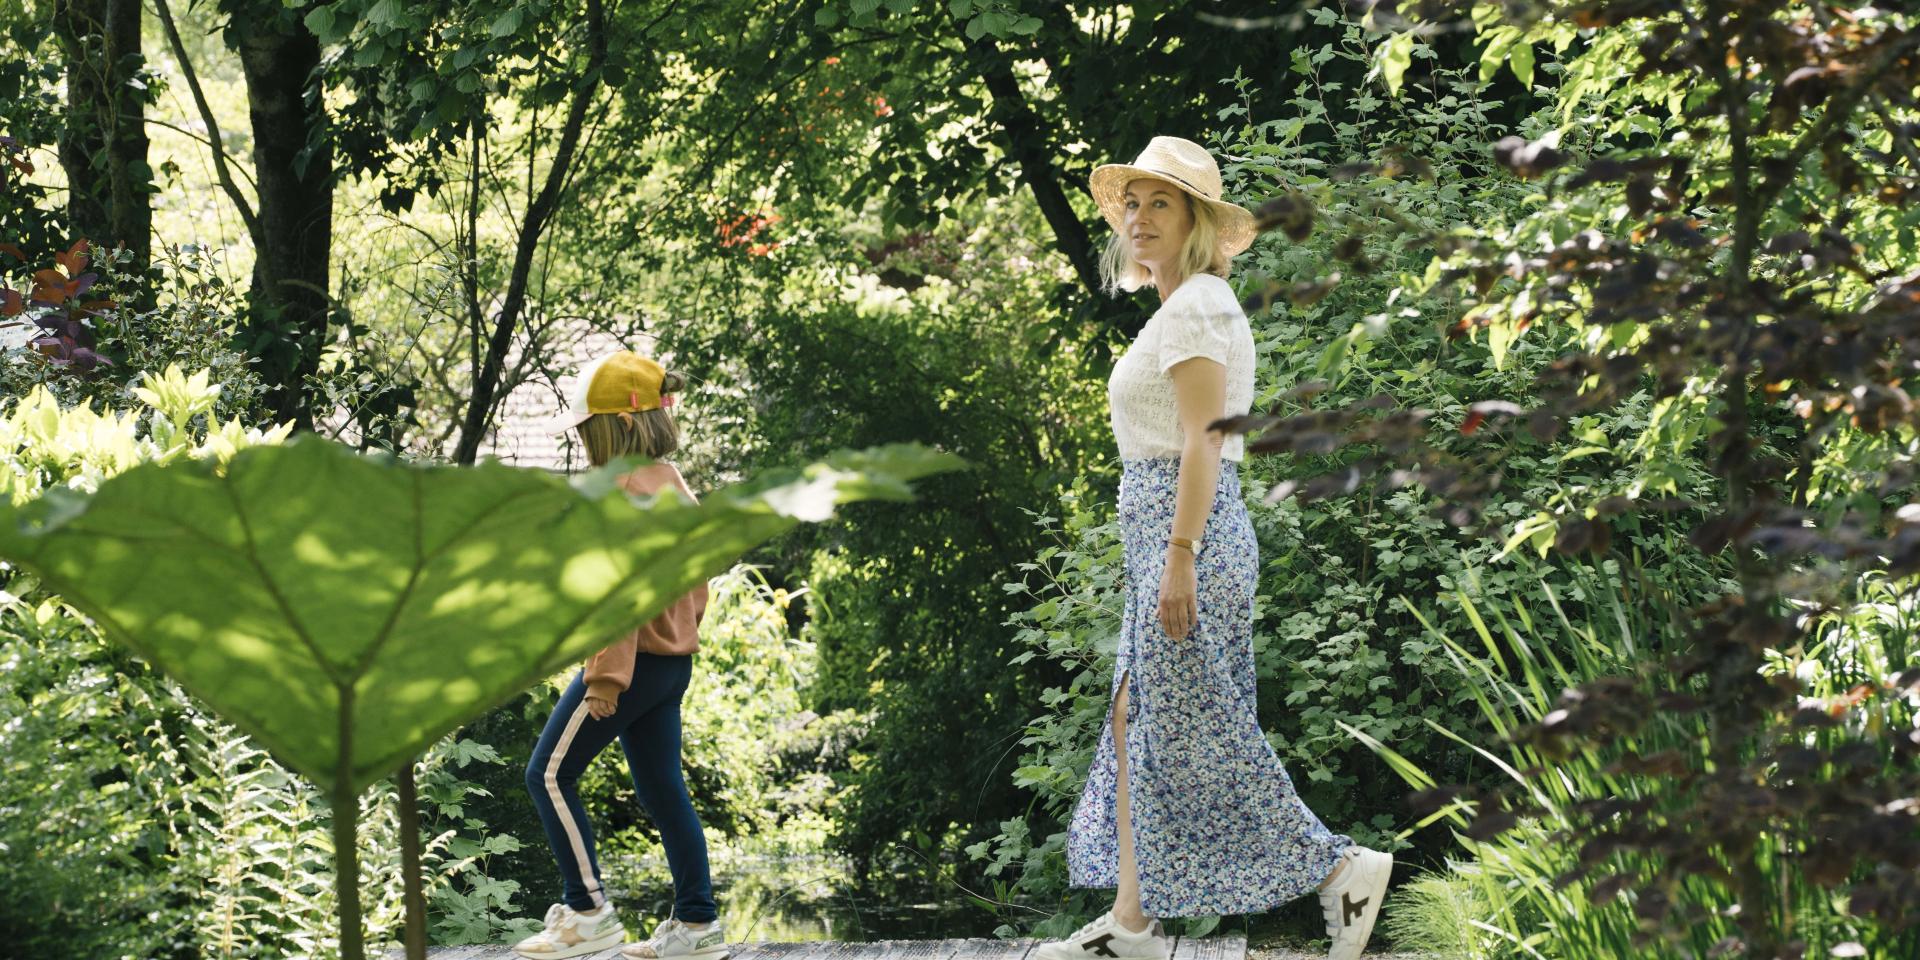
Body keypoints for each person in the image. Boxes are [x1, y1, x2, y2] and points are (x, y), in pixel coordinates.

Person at [1035, 137, 1393, 960]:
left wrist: (1180, 553)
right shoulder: (1180, 308)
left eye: (1161, 202)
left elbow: (1203, 441)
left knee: (1201, 727)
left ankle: (1340, 867)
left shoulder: (1197, 305)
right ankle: (1134, 923)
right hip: (1167, 537)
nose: (1139, 216)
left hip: (1186, 534)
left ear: (1197, 222)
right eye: (1132, 202)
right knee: (1140, 718)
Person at [511, 350, 730, 960]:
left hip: (627, 667)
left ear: (621, 427)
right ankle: (697, 925)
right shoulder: (671, 483)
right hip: (669, 665)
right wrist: (676, 639)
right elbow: (696, 580)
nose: (583, 444)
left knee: (548, 774)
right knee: (663, 787)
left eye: (589, 431)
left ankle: (588, 912)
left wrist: (606, 677)